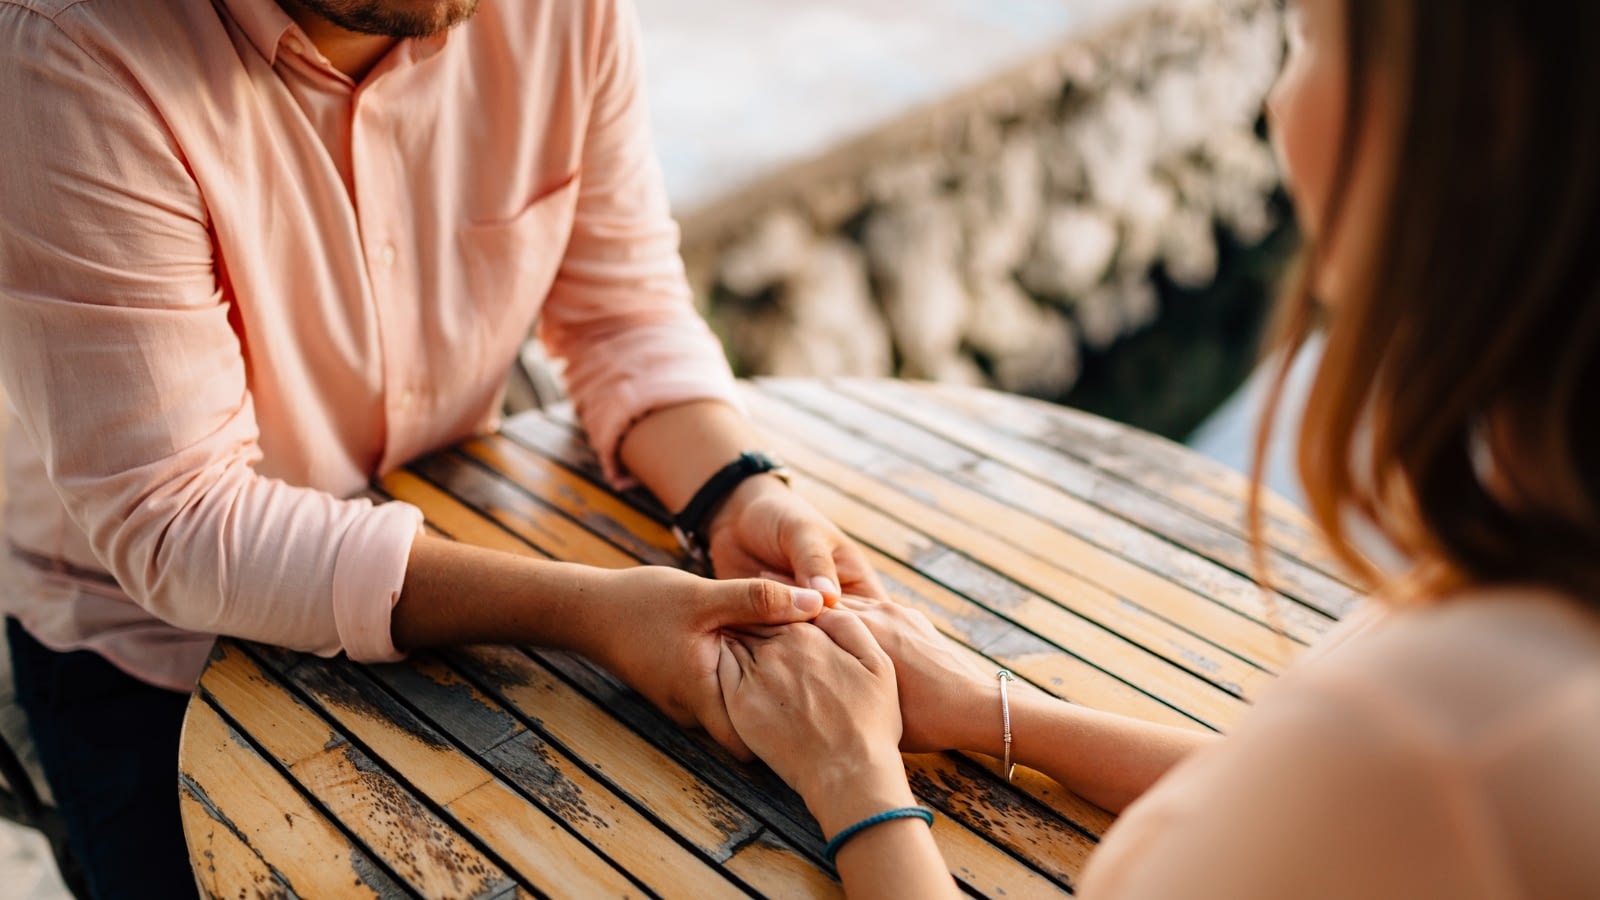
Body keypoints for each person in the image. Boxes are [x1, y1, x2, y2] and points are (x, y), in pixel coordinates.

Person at [717, 0, 1600, 896]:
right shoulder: (1527, 628)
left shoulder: (1424, 742)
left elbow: (1368, 782)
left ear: (1478, 123)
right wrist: (991, 711)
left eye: (1311, 41)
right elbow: (1295, 803)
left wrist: (850, 774)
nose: (1276, 106)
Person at [0, 0, 883, 896]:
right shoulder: (67, 47)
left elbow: (623, 315)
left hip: (461, 572)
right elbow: (182, 523)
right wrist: (593, 613)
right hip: (155, 653)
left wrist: (736, 491)